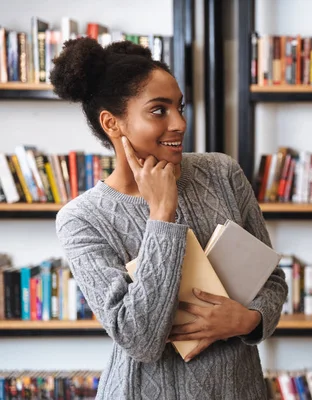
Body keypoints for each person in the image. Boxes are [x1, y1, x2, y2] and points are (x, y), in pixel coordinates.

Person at [51, 38, 287, 399]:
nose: (179, 123)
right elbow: (140, 339)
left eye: (179, 107)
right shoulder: (82, 219)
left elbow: (271, 280)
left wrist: (249, 320)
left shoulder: (222, 172)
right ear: (112, 123)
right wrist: (162, 216)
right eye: (159, 110)